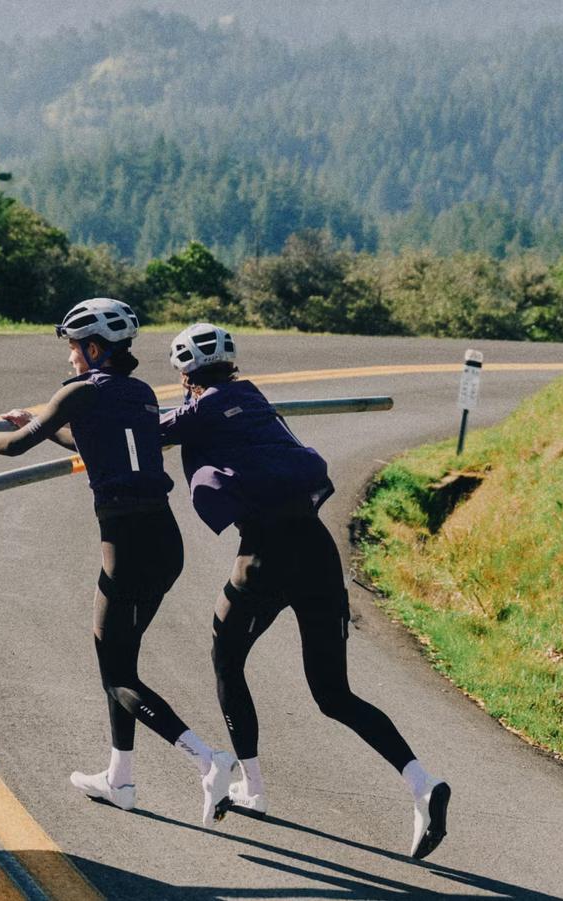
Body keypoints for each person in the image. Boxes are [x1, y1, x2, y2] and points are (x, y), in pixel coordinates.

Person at [158, 322, 451, 860]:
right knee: (333, 693)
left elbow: (144, 432)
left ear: (186, 372)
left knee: (226, 658)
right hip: (317, 551)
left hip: (266, 555)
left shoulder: (206, 404)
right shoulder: (252, 399)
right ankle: (422, 783)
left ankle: (253, 786)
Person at [0, 299, 237, 827]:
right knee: (118, 662)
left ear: (94, 348)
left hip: (127, 545)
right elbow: (88, 443)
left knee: (117, 670)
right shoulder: (140, 392)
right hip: (164, 541)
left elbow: (11, 447)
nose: (72, 357)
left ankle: (206, 758)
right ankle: (119, 778)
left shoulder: (80, 390)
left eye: (75, 348)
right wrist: (39, 420)